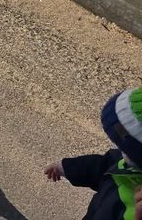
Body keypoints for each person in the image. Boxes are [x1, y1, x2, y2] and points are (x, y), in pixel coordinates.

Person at [44, 87, 142, 219]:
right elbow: (101, 166)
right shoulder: (126, 163)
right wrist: (66, 167)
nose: (120, 151)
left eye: (124, 148)